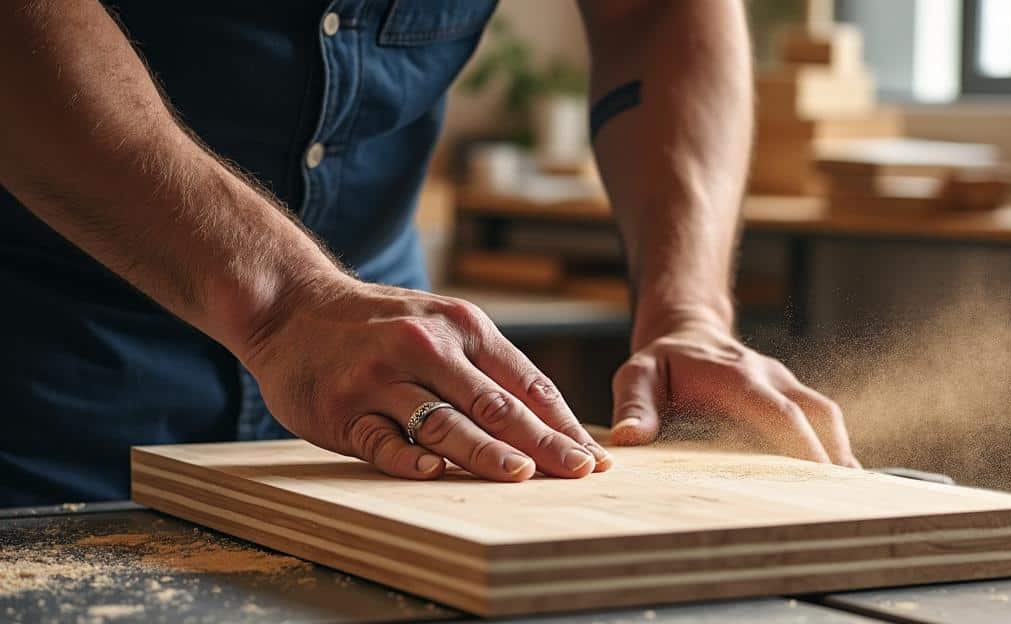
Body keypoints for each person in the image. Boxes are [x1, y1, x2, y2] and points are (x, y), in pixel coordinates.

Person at [0, 0, 857, 507]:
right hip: (51, 358)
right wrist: (282, 304)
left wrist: (688, 311)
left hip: (392, 367)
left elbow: (653, 13)